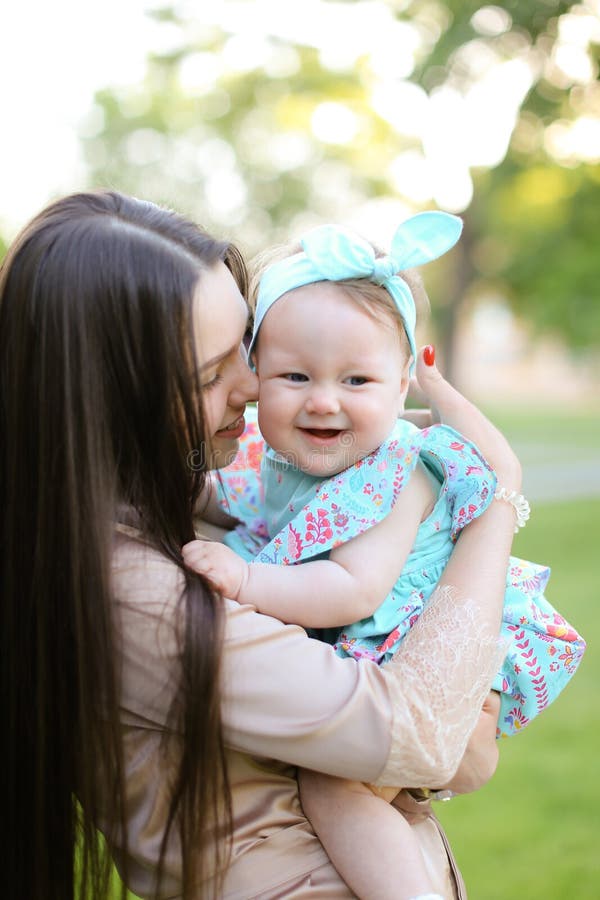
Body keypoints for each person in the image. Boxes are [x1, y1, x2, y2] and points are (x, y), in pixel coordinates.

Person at [2, 190, 529, 900]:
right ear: (113, 396)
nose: (253, 388)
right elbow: (424, 735)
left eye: (249, 350)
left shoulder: (162, 506)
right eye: (213, 373)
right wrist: (495, 497)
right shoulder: (127, 590)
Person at [183, 214, 585, 900]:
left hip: (430, 649)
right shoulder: (285, 463)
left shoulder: (396, 475)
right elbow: (243, 499)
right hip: (384, 664)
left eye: (357, 381)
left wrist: (247, 577)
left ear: (403, 386)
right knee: (376, 794)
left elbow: (352, 589)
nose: (323, 401)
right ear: (257, 376)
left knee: (336, 786)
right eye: (294, 375)